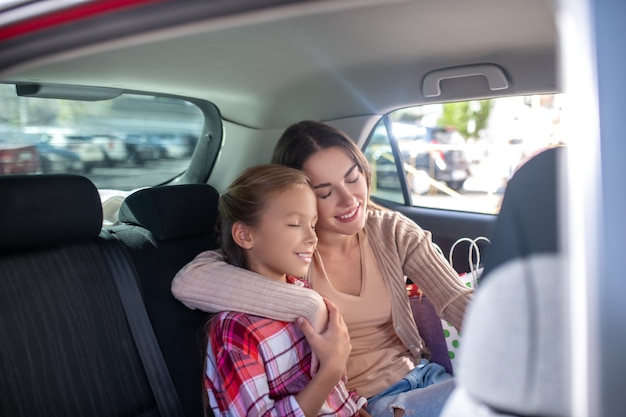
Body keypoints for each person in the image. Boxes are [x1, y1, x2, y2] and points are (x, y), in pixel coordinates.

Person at [173, 121, 474, 417]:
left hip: (425, 377)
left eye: (353, 178)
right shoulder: (291, 255)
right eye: (325, 192)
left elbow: (455, 299)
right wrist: (311, 305)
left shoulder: (391, 231)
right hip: (367, 402)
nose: (349, 199)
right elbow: (190, 282)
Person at [203, 163, 369, 417]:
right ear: (245, 235)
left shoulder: (302, 294)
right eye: (294, 224)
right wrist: (331, 370)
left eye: (313, 225)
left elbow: (338, 397)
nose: (313, 238)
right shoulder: (236, 330)